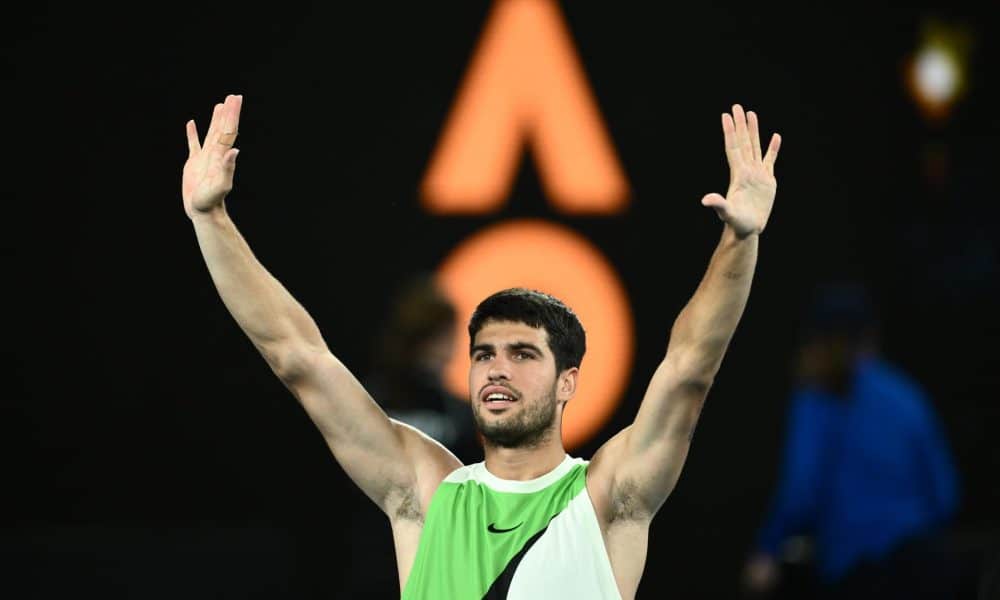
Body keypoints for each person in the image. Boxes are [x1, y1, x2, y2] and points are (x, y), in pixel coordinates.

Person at [182, 94, 781, 599]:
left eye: (523, 354)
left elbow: (688, 369)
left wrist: (740, 239)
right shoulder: (425, 492)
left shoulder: (609, 497)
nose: (497, 369)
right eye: (484, 354)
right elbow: (299, 358)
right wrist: (211, 220)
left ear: (568, 381)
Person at [741, 282, 961, 600]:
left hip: (862, 573)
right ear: (871, 335)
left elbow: (801, 489)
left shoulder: (819, 396)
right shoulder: (906, 395)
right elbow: (945, 493)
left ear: (819, 342)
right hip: (925, 565)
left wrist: (768, 549)